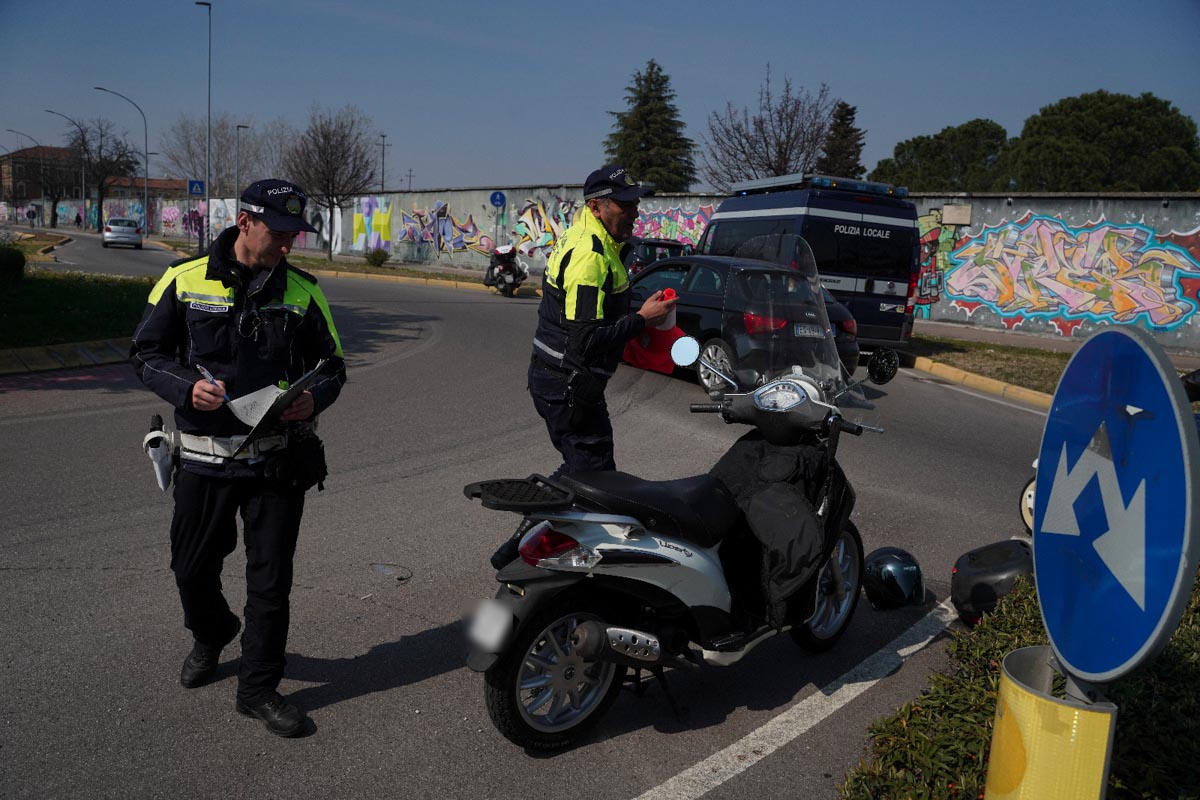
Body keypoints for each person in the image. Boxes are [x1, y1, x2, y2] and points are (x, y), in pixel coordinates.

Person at [130, 178, 346, 738]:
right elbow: (146, 354)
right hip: (203, 459)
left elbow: (333, 367)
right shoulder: (183, 279)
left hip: (275, 461)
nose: (288, 244)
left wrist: (313, 399)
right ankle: (212, 632)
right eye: (279, 232)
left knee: (270, 584)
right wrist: (186, 389)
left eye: (294, 235)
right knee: (190, 569)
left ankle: (258, 689)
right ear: (245, 222)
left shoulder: (303, 290)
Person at [491, 165, 674, 567]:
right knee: (595, 477)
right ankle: (531, 554)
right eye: (625, 205)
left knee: (587, 469)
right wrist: (642, 319)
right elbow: (585, 339)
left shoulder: (596, 240)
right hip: (566, 384)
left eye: (635, 203)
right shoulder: (589, 255)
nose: (634, 212)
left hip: (565, 380)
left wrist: (639, 316)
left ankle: (531, 543)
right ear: (597, 207)